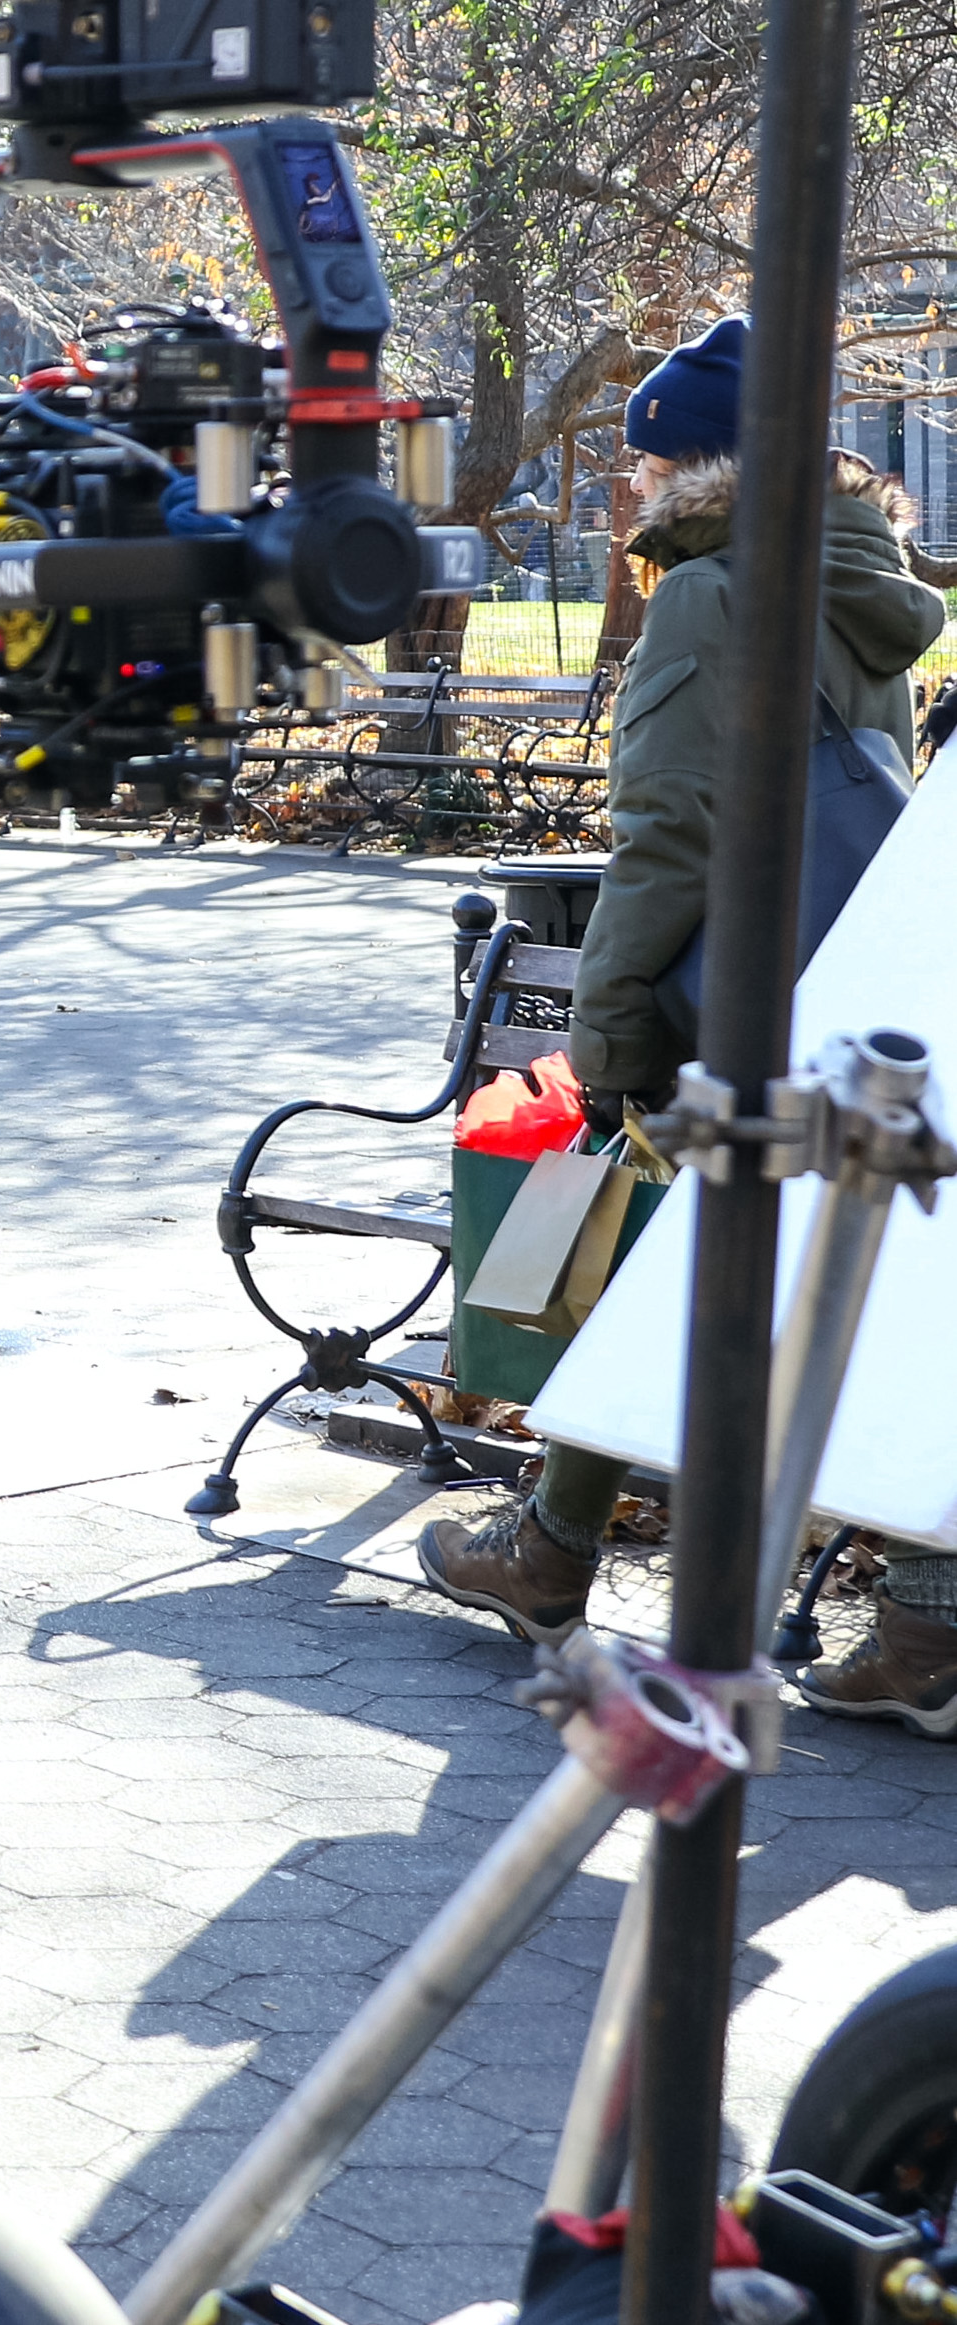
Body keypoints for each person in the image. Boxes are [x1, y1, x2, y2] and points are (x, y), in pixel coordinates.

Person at [419, 314, 953, 1726]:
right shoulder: (858, 579)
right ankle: (916, 1615)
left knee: (690, 1272)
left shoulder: (714, 599)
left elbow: (665, 836)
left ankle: (555, 1550)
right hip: (857, 999)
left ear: (698, 469)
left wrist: (606, 1036)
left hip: (738, 1007)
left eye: (644, 461)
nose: (629, 488)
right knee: (829, 1283)